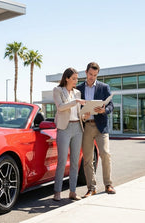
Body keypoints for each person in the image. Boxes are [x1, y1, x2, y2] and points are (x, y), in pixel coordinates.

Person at [76, 62, 116, 197]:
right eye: (90, 74)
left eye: (95, 75)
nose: (92, 77)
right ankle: (91, 188)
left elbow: (111, 106)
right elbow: (76, 108)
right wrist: (83, 114)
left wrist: (104, 110)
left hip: (101, 126)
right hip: (86, 126)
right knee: (87, 158)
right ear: (86, 72)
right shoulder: (79, 89)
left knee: (105, 154)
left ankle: (108, 184)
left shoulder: (104, 87)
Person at [52, 67, 90, 201]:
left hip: (77, 128)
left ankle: (72, 192)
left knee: (75, 162)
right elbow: (61, 107)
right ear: (67, 78)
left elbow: (78, 113)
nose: (76, 81)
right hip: (64, 127)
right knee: (62, 161)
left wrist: (85, 115)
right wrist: (75, 102)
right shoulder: (58, 90)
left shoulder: (77, 93)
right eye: (73, 78)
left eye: (77, 79)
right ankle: (57, 192)